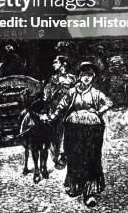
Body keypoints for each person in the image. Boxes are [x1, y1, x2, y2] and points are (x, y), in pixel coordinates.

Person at [48, 62, 113, 207]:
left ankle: (89, 193)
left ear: (93, 77)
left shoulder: (96, 93)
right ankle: (75, 186)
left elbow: (109, 102)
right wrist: (52, 117)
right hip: (73, 129)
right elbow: (61, 106)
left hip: (92, 131)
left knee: (90, 159)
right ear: (79, 76)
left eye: (89, 75)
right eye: (84, 75)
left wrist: (99, 111)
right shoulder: (72, 92)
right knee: (74, 157)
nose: (86, 78)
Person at [43, 55, 75, 168]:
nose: (53, 65)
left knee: (66, 133)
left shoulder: (72, 79)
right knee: (52, 134)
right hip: (53, 110)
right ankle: (55, 156)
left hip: (67, 110)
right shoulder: (53, 78)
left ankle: (63, 155)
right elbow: (47, 94)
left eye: (56, 62)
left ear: (63, 64)